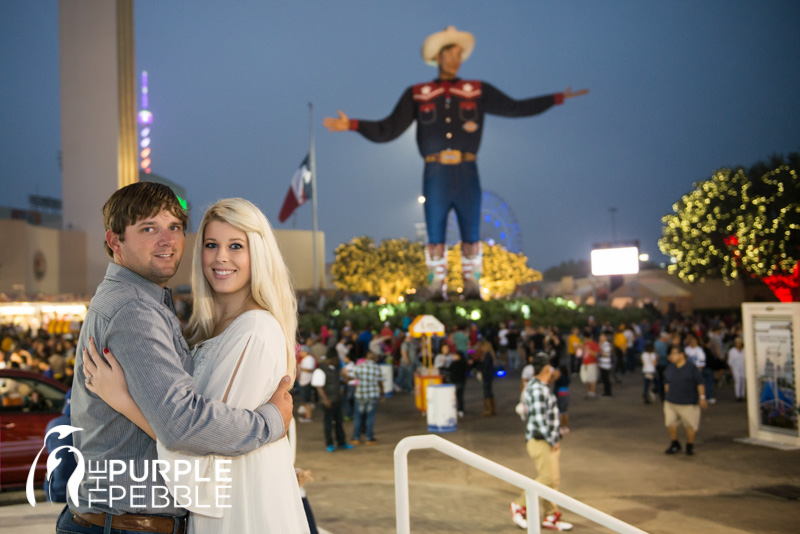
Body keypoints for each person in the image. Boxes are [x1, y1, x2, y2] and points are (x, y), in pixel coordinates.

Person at [78, 193, 307, 533]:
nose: (221, 258)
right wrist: (271, 422)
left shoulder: (254, 330)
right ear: (115, 241)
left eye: (236, 246)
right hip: (163, 514)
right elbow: (191, 430)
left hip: (236, 505)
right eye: (212, 244)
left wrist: (124, 402)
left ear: (258, 253)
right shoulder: (156, 313)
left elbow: (203, 447)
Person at [324, 26, 587, 299]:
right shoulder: (417, 93)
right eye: (450, 54)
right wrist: (352, 124)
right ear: (438, 57)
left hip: (467, 168)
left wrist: (556, 98)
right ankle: (437, 287)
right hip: (435, 170)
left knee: (471, 228)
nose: (456, 59)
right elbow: (388, 129)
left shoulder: (475, 90)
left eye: (459, 54)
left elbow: (515, 107)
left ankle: (472, 285)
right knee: (435, 231)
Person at [510, 353, 573, 531]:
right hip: (541, 441)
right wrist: (553, 439)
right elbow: (538, 420)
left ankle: (551, 516)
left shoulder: (538, 386)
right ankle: (519, 506)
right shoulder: (537, 389)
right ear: (547, 369)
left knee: (552, 481)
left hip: (544, 439)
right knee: (547, 479)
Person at [663, 346, 708, 456]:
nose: (671, 357)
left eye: (673, 354)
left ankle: (689, 445)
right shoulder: (670, 367)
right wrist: (667, 393)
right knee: (670, 423)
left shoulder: (691, 368)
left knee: (690, 425)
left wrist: (702, 398)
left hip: (688, 403)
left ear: (681, 355)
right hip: (671, 402)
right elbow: (666, 381)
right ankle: (675, 443)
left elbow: (700, 383)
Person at [312, 347, 354, 452]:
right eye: (335, 359)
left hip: (337, 400)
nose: (337, 361)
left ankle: (341, 442)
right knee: (328, 423)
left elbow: (342, 380)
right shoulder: (320, 370)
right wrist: (326, 400)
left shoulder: (336, 369)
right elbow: (319, 387)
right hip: (328, 401)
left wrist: (346, 377)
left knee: (339, 422)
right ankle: (329, 443)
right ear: (330, 359)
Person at [349, 350, 385, 445]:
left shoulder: (359, 367)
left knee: (358, 416)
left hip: (360, 394)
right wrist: (382, 394)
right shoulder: (376, 367)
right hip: (372, 395)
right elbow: (380, 382)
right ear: (374, 359)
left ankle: (356, 437)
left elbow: (351, 377)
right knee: (370, 416)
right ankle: (369, 438)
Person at [449, 350, 469, 418]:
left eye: (455, 355)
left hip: (456, 381)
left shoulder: (455, 363)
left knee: (457, 396)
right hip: (461, 381)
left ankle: (458, 409)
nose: (454, 357)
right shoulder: (464, 363)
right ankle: (460, 409)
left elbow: (449, 370)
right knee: (460, 396)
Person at [727, 336, 746, 402]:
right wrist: (731, 370)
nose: (738, 343)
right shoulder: (732, 351)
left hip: (743, 368)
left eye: (739, 342)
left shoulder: (744, 350)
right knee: (738, 381)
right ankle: (738, 395)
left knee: (743, 381)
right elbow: (730, 362)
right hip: (736, 368)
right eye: (737, 342)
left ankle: (743, 395)